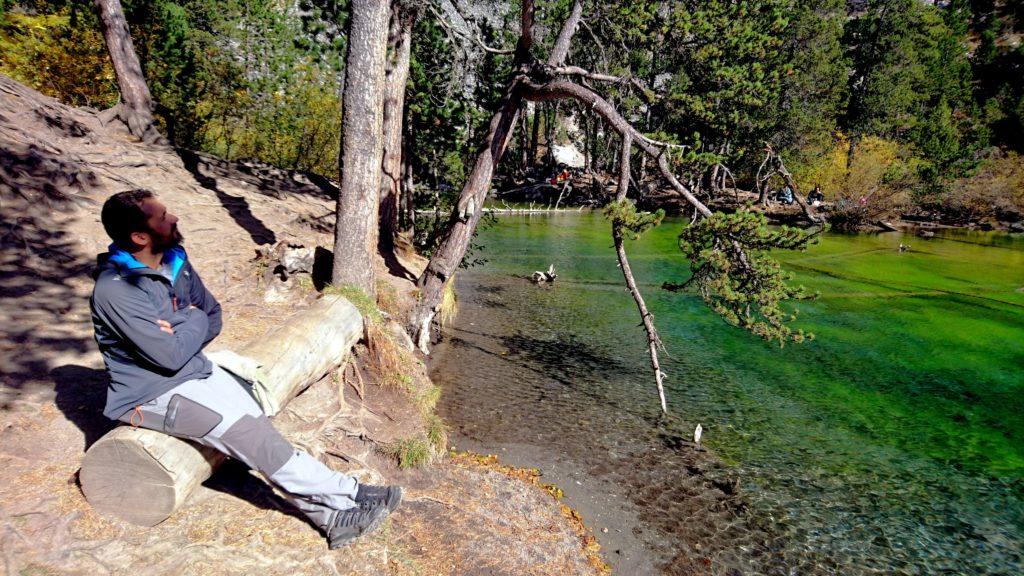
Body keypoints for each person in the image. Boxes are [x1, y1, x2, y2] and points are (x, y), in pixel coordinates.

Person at [89, 189, 401, 549]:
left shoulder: (174, 260)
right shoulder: (115, 290)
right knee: (249, 434)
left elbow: (213, 315)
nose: (173, 218)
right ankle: (344, 499)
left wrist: (181, 325)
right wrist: (189, 319)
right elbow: (171, 354)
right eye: (162, 218)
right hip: (150, 395)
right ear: (139, 237)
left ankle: (336, 510)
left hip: (194, 371)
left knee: (255, 419)